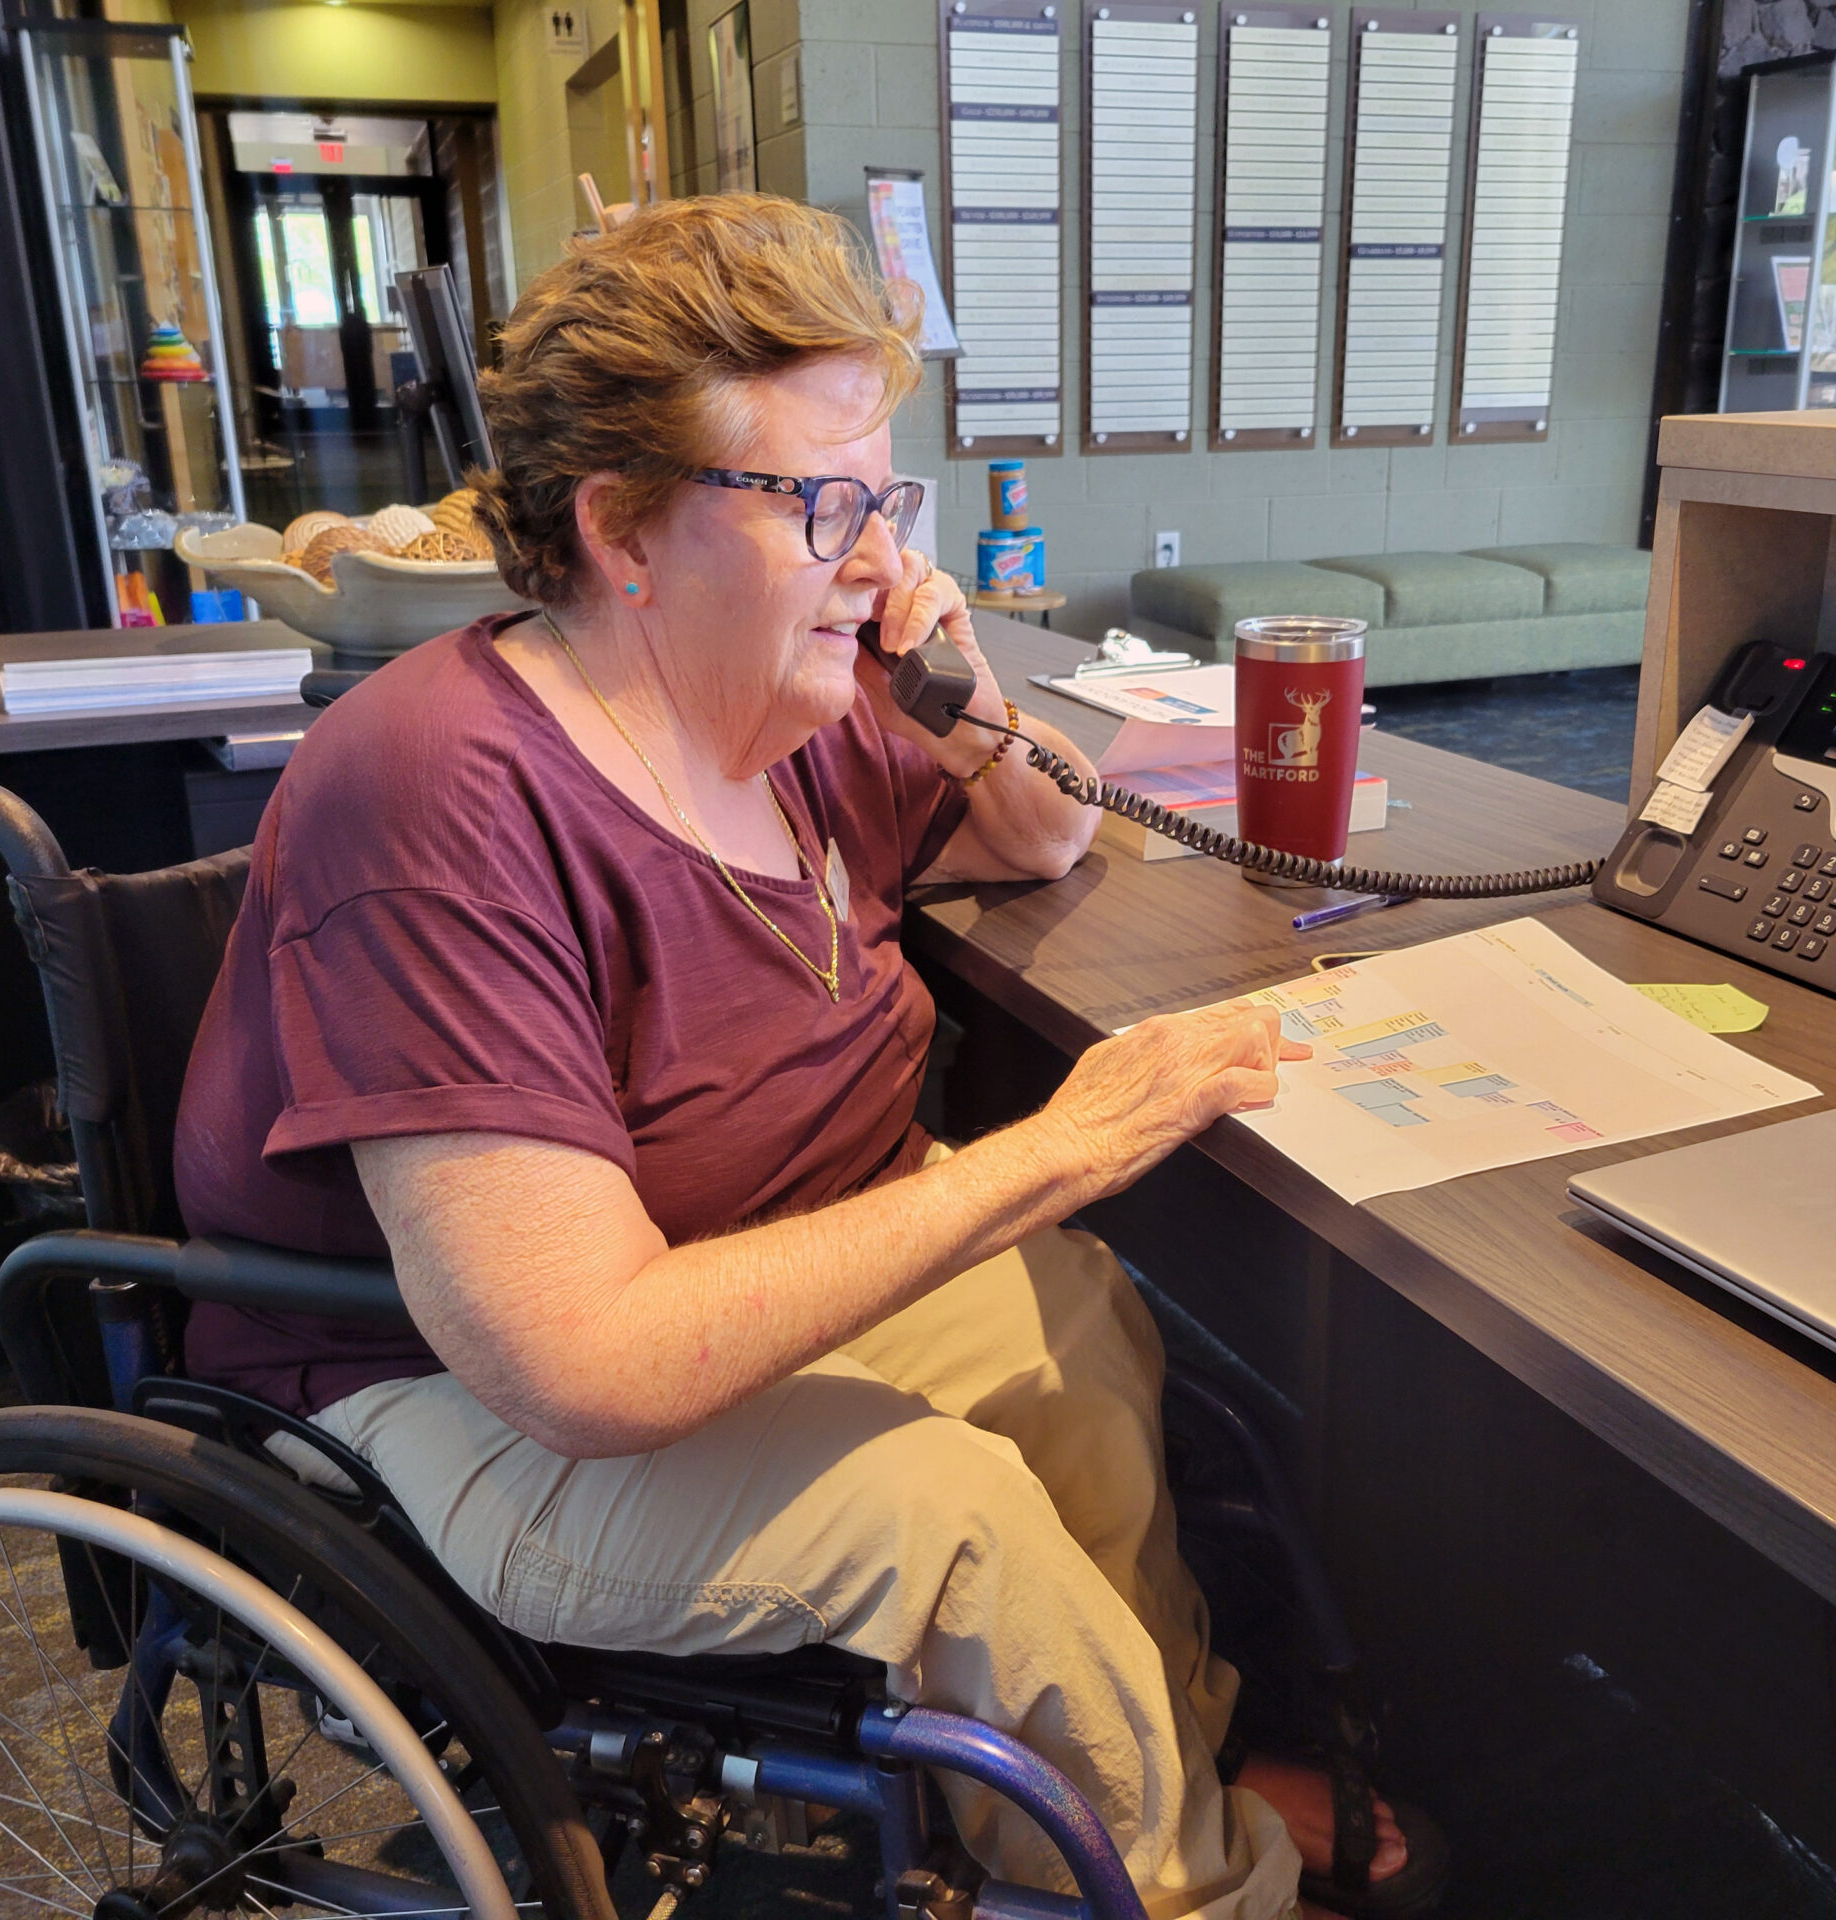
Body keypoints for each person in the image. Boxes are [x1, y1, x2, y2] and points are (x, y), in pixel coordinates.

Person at [174, 193, 1428, 1920]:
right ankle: (1197, 1891)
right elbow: (585, 1362)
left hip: (745, 1266)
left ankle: (1135, 1803)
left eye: (887, 501)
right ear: (622, 527)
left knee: (1074, 1327)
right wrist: (1058, 1145)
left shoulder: (797, 698)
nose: (877, 559)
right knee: (951, 1514)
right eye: (825, 506)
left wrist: (948, 671)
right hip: (460, 1392)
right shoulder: (438, 790)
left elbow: (1046, 834)